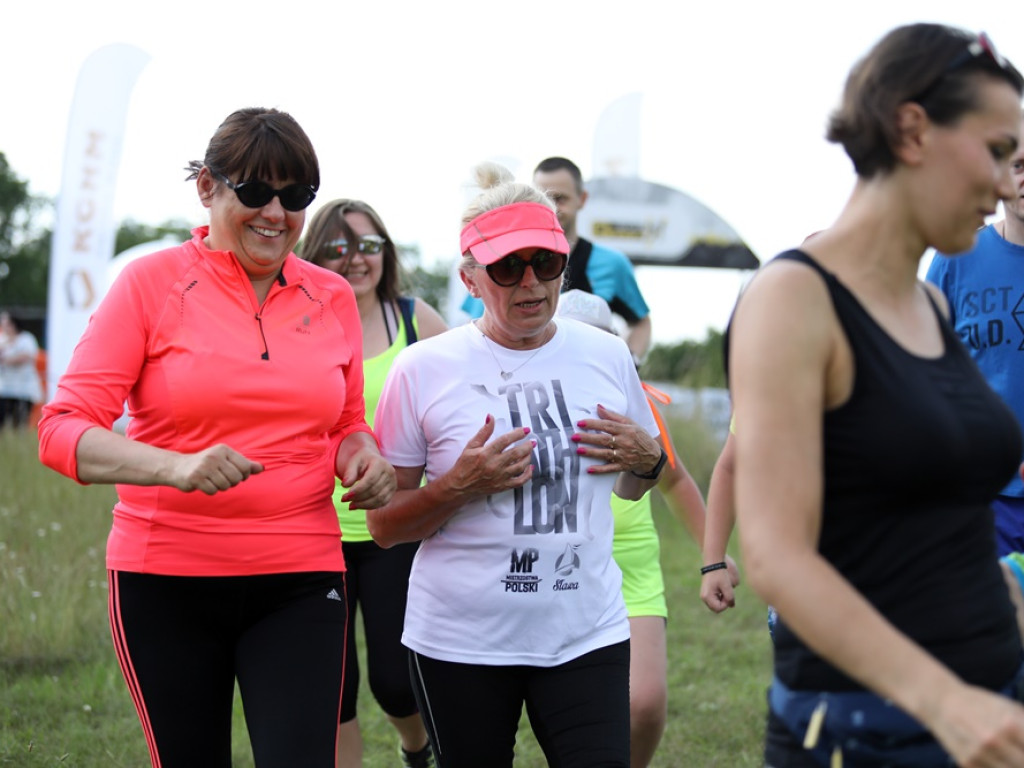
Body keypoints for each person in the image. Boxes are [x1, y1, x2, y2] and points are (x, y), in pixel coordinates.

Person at [36, 107, 396, 768]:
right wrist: (173, 467)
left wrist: (364, 457)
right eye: (255, 192)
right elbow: (61, 431)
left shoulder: (331, 296)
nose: (275, 213)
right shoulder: (149, 285)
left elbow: (346, 425)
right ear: (208, 187)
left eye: (295, 197)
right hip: (165, 579)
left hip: (299, 575)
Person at [726, 25, 1024, 767]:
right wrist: (944, 699)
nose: (1003, 182)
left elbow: (932, 524)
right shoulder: (794, 298)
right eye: (995, 151)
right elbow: (775, 555)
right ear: (913, 130)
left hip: (986, 709)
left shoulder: (935, 306)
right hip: (866, 731)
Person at [367, 161, 667, 768]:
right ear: (470, 277)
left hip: (586, 630)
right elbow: (386, 525)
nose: (531, 282)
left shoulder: (607, 355)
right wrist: (456, 487)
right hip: (461, 643)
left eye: (546, 262)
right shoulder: (423, 369)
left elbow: (634, 487)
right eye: (508, 267)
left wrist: (651, 460)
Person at [555, 288, 736, 767]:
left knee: (646, 702)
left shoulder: (634, 401)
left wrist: (710, 554)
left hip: (629, 561)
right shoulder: (533, 395)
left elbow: (675, 481)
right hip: (557, 563)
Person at [300, 199, 446, 768]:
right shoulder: (301, 323)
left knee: (394, 679)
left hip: (394, 529)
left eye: (368, 246)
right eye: (338, 248)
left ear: (386, 251)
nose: (356, 260)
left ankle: (417, 748)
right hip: (314, 530)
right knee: (332, 688)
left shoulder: (416, 319)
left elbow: (465, 400)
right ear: (315, 256)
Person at [926, 126, 1024, 557]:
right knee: (996, 621)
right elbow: (922, 369)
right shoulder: (955, 258)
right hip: (983, 493)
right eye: (1020, 166)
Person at [533, 156, 652, 362]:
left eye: (560, 198)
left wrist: (628, 363)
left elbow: (641, 322)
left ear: (583, 199)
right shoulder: (507, 260)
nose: (551, 208)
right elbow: (474, 324)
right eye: (542, 198)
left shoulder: (612, 264)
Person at [0, 311, 43, 429]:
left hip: (23, 387)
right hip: (4, 387)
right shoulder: (2, 339)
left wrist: (6, 359)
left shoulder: (26, 338)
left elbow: (27, 356)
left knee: (19, 421)